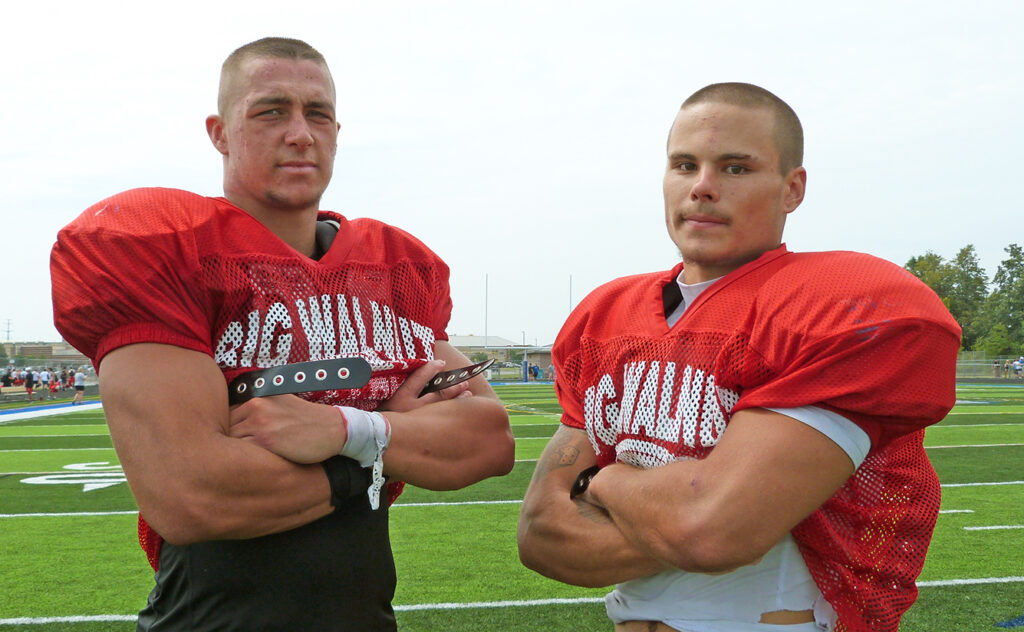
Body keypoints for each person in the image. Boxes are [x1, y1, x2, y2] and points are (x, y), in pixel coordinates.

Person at [50, 37, 514, 631]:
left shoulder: (392, 270)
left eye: (317, 113)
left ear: (337, 131)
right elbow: (193, 494)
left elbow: (489, 441)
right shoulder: (166, 246)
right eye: (272, 110)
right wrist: (388, 447)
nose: (300, 132)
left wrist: (345, 429)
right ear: (219, 132)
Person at [518, 83, 961, 632]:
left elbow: (711, 531)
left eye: (735, 169)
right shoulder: (607, 315)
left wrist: (605, 484)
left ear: (791, 189)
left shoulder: (838, 302)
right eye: (684, 165)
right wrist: (694, 510)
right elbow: (542, 534)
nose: (702, 188)